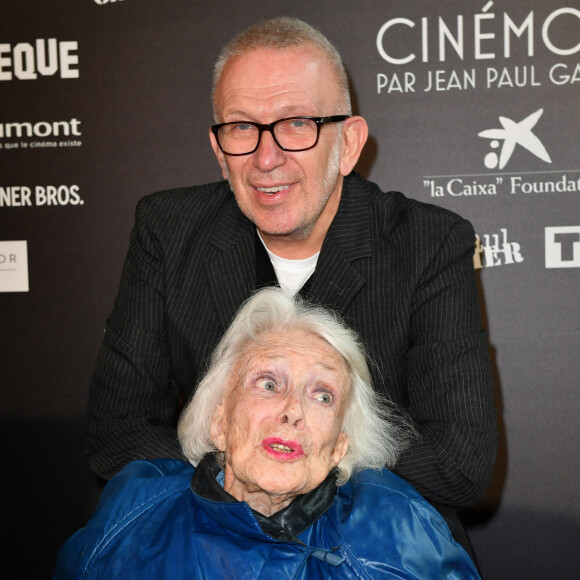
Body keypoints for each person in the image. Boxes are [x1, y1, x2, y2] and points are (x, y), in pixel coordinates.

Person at [86, 16, 496, 554]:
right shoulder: (168, 230)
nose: (265, 157)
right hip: (208, 547)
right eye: (241, 127)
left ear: (347, 143)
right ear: (218, 149)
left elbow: (459, 464)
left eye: (296, 123)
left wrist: (294, 462)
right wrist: (241, 496)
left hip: (375, 550)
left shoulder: (429, 243)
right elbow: (118, 433)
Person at [58, 288, 481, 579]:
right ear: (219, 422)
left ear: (339, 446)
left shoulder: (399, 537)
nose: (292, 411)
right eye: (267, 384)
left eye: (322, 396)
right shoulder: (130, 524)